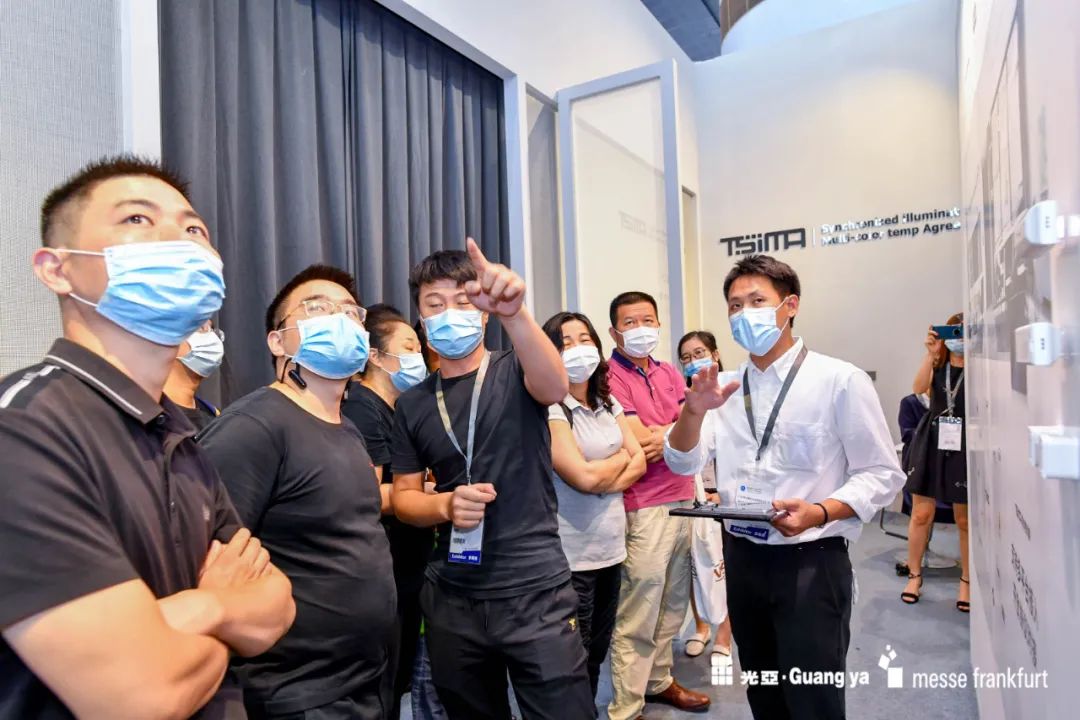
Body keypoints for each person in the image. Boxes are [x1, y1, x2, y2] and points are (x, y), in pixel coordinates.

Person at [0, 156, 295, 720]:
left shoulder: (177, 434)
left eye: (194, 229)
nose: (179, 241)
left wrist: (199, 611)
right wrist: (222, 607)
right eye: (137, 219)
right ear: (57, 269)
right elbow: (142, 696)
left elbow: (276, 610)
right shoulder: (25, 429)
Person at [666, 254, 904, 720]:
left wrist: (821, 511)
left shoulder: (839, 380)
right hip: (743, 557)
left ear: (790, 306)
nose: (744, 314)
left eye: (757, 301)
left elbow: (881, 473)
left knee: (813, 700)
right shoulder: (722, 388)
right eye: (735, 306)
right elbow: (682, 460)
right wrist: (692, 411)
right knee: (764, 691)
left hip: (811, 560)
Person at [390, 240, 593, 719]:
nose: (448, 313)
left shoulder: (515, 368)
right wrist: (444, 506)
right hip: (453, 596)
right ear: (421, 319)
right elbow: (403, 498)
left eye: (463, 301)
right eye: (434, 304)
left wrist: (515, 314)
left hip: (534, 591)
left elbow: (554, 386)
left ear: (483, 313)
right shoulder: (413, 403)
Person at [198, 265, 397, 719]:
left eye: (351, 312)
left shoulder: (347, 428)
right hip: (296, 692)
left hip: (362, 681)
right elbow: (208, 562)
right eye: (317, 308)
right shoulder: (253, 427)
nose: (339, 318)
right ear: (277, 341)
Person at [605, 291, 711, 719]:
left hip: (684, 495)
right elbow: (639, 442)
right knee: (640, 607)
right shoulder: (608, 375)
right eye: (630, 322)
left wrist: (667, 433)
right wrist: (676, 430)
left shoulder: (669, 371)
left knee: (673, 602)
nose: (640, 328)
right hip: (643, 503)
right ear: (614, 331)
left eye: (647, 319)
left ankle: (659, 680)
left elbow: (692, 429)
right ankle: (626, 706)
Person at [542, 311, 647, 707]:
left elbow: (639, 459)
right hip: (572, 554)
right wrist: (616, 463)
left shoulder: (608, 400)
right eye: (565, 342)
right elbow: (581, 478)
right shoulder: (551, 407)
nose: (576, 348)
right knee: (575, 653)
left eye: (584, 339)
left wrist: (601, 474)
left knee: (598, 647)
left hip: (611, 547)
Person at [340, 303, 435, 717]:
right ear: (376, 357)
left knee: (399, 679)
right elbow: (368, 493)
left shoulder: (401, 408)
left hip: (409, 562)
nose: (418, 357)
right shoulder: (363, 407)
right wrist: (431, 496)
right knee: (383, 684)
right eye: (409, 347)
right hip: (386, 564)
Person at [901, 313, 970, 612]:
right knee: (921, 514)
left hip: (964, 443)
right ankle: (914, 576)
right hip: (931, 440)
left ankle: (966, 581)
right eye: (954, 332)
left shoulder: (980, 368)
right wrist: (930, 354)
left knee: (964, 520)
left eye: (964, 333)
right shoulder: (938, 364)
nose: (958, 338)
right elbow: (918, 388)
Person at [675, 331, 733, 664]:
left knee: (722, 565)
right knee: (694, 561)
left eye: (699, 353)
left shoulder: (732, 396)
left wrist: (722, 491)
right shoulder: (682, 401)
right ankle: (700, 627)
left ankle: (724, 633)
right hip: (693, 494)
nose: (693, 360)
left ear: (715, 354)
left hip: (726, 497)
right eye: (685, 357)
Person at [164, 319, 225, 431]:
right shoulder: (150, 417)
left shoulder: (213, 415)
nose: (213, 339)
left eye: (212, 330)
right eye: (201, 328)